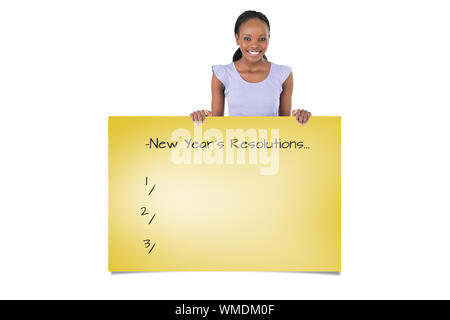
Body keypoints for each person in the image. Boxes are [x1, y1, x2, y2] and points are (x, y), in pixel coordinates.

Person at [189, 10, 311, 126]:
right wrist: (201, 118)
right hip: (235, 145)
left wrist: (300, 118)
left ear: (269, 39)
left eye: (262, 39)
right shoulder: (222, 74)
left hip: (271, 146)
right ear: (237, 39)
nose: (255, 45)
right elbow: (217, 125)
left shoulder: (283, 74)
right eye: (247, 38)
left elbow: (285, 126)